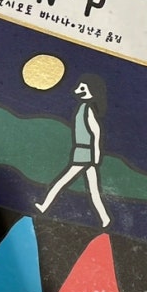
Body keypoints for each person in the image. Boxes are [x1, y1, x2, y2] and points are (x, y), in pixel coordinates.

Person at [35, 74, 111, 227]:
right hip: (81, 151)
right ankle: (105, 219)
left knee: (62, 182)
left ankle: (44, 206)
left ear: (90, 90)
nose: (78, 89)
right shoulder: (83, 107)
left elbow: (96, 132)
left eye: (82, 87)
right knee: (93, 190)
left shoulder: (87, 109)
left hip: (85, 153)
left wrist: (96, 153)